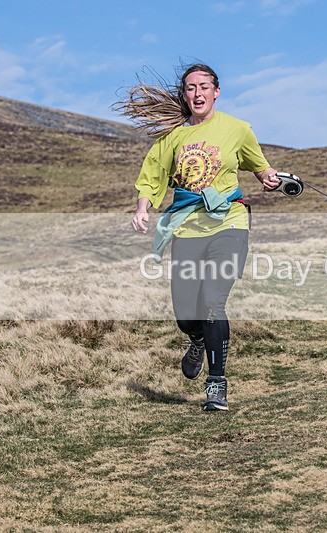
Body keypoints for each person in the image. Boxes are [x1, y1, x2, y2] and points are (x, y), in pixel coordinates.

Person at [118, 63, 283, 411]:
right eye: (191, 87)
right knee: (185, 315)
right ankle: (196, 340)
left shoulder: (237, 129)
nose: (198, 93)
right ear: (184, 94)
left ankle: (217, 384)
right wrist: (143, 207)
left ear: (216, 91)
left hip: (229, 223)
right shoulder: (172, 138)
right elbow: (151, 176)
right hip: (188, 228)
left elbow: (259, 164)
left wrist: (269, 176)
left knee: (212, 302)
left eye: (204, 86)